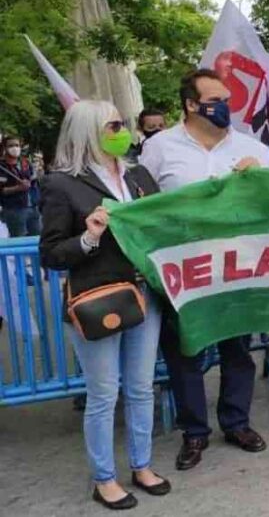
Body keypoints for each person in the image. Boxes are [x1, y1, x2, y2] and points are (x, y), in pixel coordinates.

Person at [141, 69, 269, 470]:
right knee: (185, 351)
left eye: (227, 99)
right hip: (183, 271)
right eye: (215, 100)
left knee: (238, 348)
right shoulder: (159, 148)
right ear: (190, 104)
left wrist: (261, 180)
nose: (224, 106)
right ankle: (194, 432)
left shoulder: (252, 148)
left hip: (239, 266)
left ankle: (236, 422)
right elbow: (142, 203)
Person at [39, 100, 169, 510]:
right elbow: (51, 253)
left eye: (122, 123)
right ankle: (104, 478)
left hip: (144, 295)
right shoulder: (62, 184)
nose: (122, 130)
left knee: (141, 388)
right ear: (88, 131)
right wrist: (89, 237)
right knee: (103, 393)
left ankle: (142, 465)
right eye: (113, 125)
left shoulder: (139, 175)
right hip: (98, 300)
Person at [0, 135, 41, 237]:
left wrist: (38, 175)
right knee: (19, 238)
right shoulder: (2, 167)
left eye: (17, 145)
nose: (15, 148)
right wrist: (18, 188)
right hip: (14, 209)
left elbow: (34, 180)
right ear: (4, 148)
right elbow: (2, 190)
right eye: (11, 145)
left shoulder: (25, 163)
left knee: (37, 238)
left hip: (33, 207)